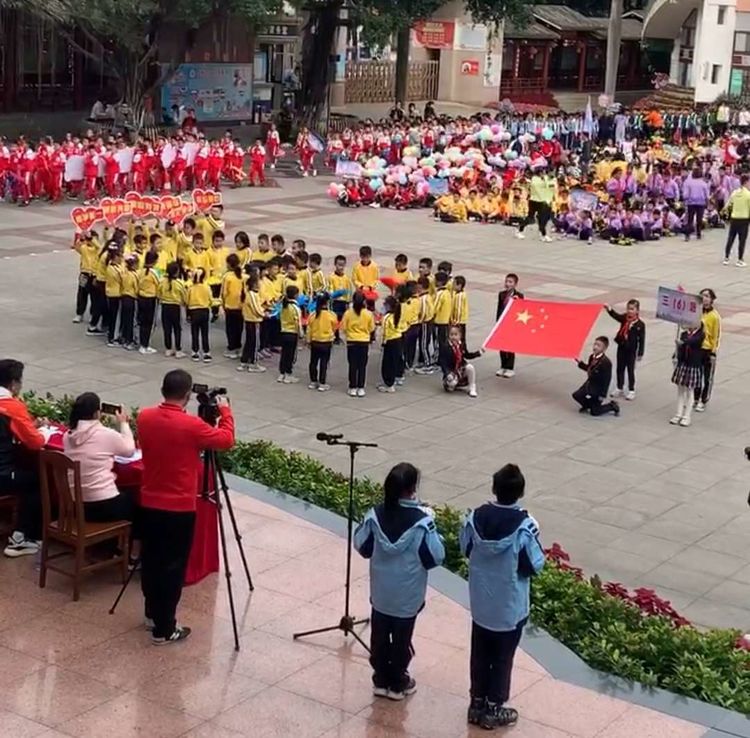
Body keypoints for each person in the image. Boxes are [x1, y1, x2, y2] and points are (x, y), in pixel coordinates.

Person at [137, 369, 235, 644]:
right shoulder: (191, 426)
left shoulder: (144, 417)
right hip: (178, 507)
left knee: (152, 560)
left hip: (149, 502)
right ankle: (165, 628)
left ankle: (151, 613)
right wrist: (225, 412)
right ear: (188, 395)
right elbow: (226, 440)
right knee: (173, 567)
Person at [460, 464, 545, 730]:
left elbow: (465, 548)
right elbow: (533, 564)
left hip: (482, 605)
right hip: (509, 607)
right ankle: (494, 708)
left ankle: (476, 703)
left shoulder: (475, 518)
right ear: (520, 492)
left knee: (479, 654)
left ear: (494, 488)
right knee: (501, 658)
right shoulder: (525, 526)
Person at [354, 462, 445, 701]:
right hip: (408, 598)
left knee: (380, 638)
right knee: (402, 640)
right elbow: (436, 556)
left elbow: (362, 546)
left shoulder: (375, 515)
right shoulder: (423, 522)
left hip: (381, 595)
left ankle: (380, 680)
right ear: (412, 489)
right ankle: (398, 683)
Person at [62, 394, 136, 522]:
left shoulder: (67, 436)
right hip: (102, 504)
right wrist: (124, 423)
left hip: (75, 503)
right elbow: (129, 450)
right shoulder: (105, 434)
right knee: (134, 500)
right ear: (97, 413)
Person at [0, 359, 45, 557]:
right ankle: (22, 538)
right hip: (2, 474)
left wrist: (30, 426)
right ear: (13, 384)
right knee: (36, 482)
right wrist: (43, 431)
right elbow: (35, 443)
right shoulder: (12, 406)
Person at [605, 299, 646, 401]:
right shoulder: (624, 318)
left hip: (631, 350)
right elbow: (616, 316)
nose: (629, 311)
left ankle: (631, 390)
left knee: (630, 370)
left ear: (637, 311)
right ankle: (619, 387)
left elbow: (642, 339)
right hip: (622, 347)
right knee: (620, 368)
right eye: (628, 308)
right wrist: (609, 310)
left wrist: (640, 352)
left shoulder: (640, 324)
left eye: (632, 309)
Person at [572, 337, 620, 417]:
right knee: (576, 395)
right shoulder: (592, 357)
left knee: (595, 412)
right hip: (589, 384)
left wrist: (603, 395)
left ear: (604, 348)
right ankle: (588, 405)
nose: (595, 347)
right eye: (595, 344)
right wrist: (580, 364)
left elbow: (607, 380)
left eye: (598, 345)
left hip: (598, 389)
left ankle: (612, 406)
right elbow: (589, 369)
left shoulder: (606, 362)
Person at [671, 318, 705, 427]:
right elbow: (681, 348)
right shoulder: (684, 334)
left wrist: (683, 343)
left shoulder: (700, 335)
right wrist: (676, 355)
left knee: (690, 391)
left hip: (693, 365)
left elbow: (693, 341)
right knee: (680, 390)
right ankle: (678, 414)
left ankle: (687, 416)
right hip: (683, 364)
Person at [341, 291, 375, 397]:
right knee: (362, 365)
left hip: (352, 341)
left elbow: (343, 328)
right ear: (364, 301)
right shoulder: (368, 314)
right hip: (364, 341)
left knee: (352, 365)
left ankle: (352, 386)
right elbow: (371, 328)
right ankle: (361, 387)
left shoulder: (348, 313)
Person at [694, 288, 721, 413]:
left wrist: (713, 351)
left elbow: (716, 335)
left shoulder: (714, 316)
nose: (704, 298)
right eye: (702, 295)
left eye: (706, 296)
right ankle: (695, 397)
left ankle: (703, 399)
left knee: (706, 377)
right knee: (696, 374)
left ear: (711, 299)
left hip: (707, 349)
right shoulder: (697, 312)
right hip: (696, 347)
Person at [439, 325, 482, 398]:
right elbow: (442, 361)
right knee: (451, 384)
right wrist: (447, 373)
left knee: (470, 368)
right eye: (451, 334)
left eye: (456, 334)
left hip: (460, 368)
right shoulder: (446, 346)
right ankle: (452, 384)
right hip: (451, 370)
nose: (453, 337)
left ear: (460, 335)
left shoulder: (461, 345)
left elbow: (467, 355)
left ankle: (472, 387)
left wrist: (478, 353)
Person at [307, 292, 336, 391]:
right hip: (326, 342)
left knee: (313, 362)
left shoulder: (313, 315)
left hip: (315, 341)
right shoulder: (331, 315)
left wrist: (308, 341)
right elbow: (334, 328)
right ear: (327, 302)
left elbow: (309, 329)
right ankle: (322, 383)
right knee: (324, 362)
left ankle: (313, 381)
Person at [495, 273, 523, 378]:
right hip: (503, 322)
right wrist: (497, 322)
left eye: (510, 282)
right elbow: (499, 308)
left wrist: (517, 301)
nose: (507, 284)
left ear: (515, 284)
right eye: (506, 281)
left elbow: (522, 310)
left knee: (510, 346)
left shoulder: (519, 296)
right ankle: (503, 366)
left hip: (512, 324)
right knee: (501, 345)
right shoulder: (502, 294)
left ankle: (510, 367)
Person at [517, 168, 555, 242]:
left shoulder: (550, 179)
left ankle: (543, 235)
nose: (543, 174)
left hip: (544, 201)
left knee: (542, 219)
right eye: (541, 172)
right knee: (530, 218)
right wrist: (544, 179)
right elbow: (535, 185)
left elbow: (551, 189)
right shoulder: (535, 179)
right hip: (534, 200)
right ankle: (520, 230)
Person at [379, 296, 404, 393]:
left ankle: (389, 384)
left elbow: (384, 331)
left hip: (390, 341)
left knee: (387, 364)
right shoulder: (398, 315)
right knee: (394, 362)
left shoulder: (387, 317)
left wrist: (382, 343)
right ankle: (393, 381)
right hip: (398, 339)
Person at [724, 174, 750, 267]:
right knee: (742, 240)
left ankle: (726, 258)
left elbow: (727, 205)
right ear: (746, 182)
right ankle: (740, 259)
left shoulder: (734, 193)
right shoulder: (748, 194)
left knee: (730, 238)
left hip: (734, 218)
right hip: (744, 219)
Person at [682, 167, 710, 242]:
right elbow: (707, 195)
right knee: (699, 219)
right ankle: (698, 233)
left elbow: (686, 194)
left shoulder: (688, 183)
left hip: (691, 203)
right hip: (701, 203)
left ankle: (687, 235)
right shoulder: (704, 183)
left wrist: (685, 200)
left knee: (690, 219)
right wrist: (707, 203)